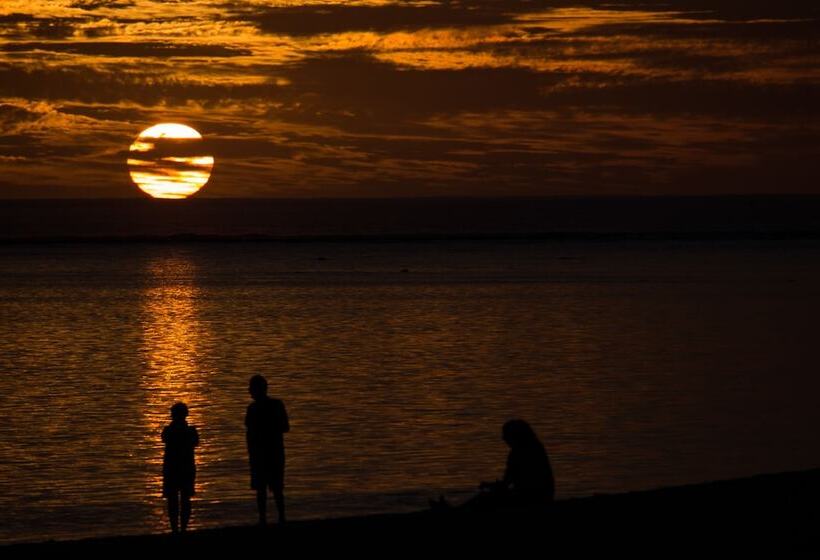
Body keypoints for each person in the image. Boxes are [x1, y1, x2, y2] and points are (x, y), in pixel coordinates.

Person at [246, 374, 290, 525]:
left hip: (263, 454)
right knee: (275, 488)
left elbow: (250, 433)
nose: (249, 391)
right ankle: (280, 518)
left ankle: (265, 519)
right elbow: (285, 427)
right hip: (274, 453)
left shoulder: (253, 409)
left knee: (264, 489)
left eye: (251, 388)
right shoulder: (276, 405)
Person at [162, 402, 199, 533]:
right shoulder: (191, 431)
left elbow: (164, 439)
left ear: (172, 415)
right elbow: (195, 442)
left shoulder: (168, 431)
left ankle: (175, 529)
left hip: (171, 469)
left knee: (173, 499)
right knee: (185, 499)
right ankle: (183, 528)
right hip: (186, 468)